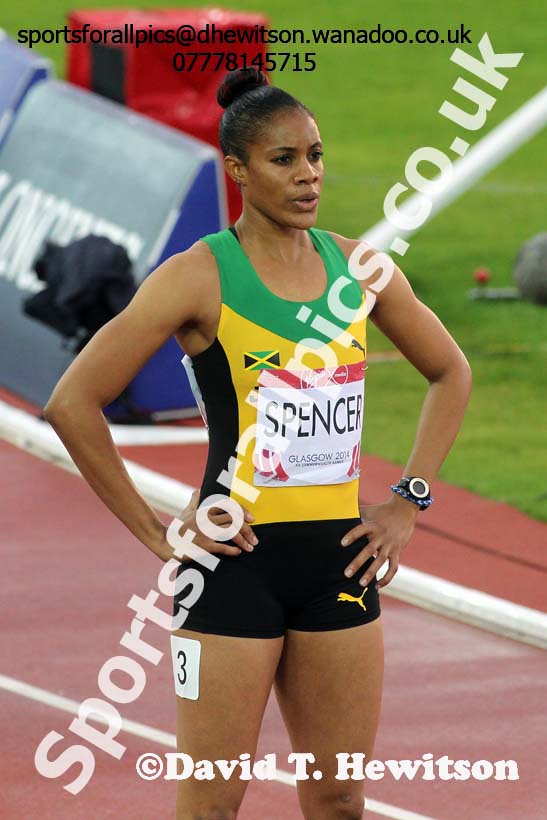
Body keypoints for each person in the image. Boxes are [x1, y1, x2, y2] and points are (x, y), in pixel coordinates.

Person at [44, 68, 472, 819]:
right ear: (237, 170)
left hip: (337, 562)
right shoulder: (197, 278)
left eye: (314, 154)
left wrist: (407, 500)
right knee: (213, 802)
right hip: (229, 569)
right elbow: (73, 401)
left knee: (339, 798)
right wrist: (155, 532)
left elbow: (448, 371)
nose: (308, 175)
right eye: (285, 160)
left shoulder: (359, 269)